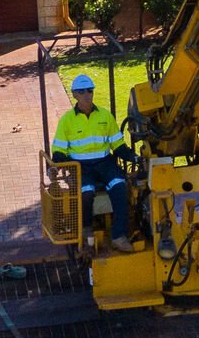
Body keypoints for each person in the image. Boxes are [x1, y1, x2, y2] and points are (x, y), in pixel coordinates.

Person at [52, 73, 136, 250]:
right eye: (81, 92)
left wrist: (132, 156)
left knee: (120, 187)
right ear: (74, 94)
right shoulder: (66, 120)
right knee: (86, 192)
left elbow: (118, 144)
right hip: (80, 167)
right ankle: (86, 229)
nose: (86, 95)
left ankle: (118, 236)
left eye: (89, 91)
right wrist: (59, 162)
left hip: (105, 163)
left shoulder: (105, 116)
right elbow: (59, 149)